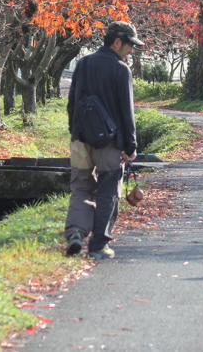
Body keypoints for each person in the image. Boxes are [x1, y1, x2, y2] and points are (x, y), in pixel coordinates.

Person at [64, 21, 143, 259]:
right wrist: (131, 146)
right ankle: (98, 244)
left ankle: (76, 234)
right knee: (109, 189)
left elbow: (72, 102)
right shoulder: (121, 69)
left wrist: (75, 131)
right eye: (130, 45)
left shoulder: (83, 63)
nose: (131, 51)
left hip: (80, 138)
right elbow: (126, 112)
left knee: (80, 187)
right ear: (117, 42)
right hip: (108, 142)